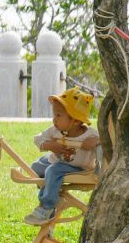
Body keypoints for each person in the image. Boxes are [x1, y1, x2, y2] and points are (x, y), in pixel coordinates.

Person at [23, 89, 101, 224]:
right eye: (54, 114)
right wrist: (50, 145)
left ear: (76, 121)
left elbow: (110, 142)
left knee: (52, 171)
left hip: (79, 168)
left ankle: (47, 207)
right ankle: (53, 191)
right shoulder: (56, 131)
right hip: (56, 161)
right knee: (35, 167)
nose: (54, 119)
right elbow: (38, 140)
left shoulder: (90, 135)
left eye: (58, 115)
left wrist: (97, 141)